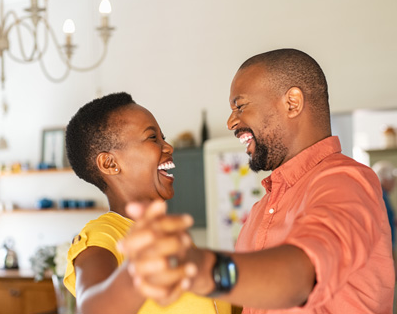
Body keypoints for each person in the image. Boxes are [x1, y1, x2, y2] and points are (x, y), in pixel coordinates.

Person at [119, 49, 395, 313]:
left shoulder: (344, 181)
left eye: (240, 105)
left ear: (292, 103)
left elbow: (300, 276)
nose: (230, 122)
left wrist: (200, 268)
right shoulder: (263, 208)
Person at [62, 92, 231, 314]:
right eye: (153, 138)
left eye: (163, 137)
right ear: (110, 163)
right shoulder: (102, 235)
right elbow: (92, 307)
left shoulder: (170, 239)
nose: (168, 147)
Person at [372, 161, 397, 255]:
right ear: (385, 179)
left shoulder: (382, 194)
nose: (394, 184)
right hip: (384, 246)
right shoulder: (381, 196)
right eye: (393, 180)